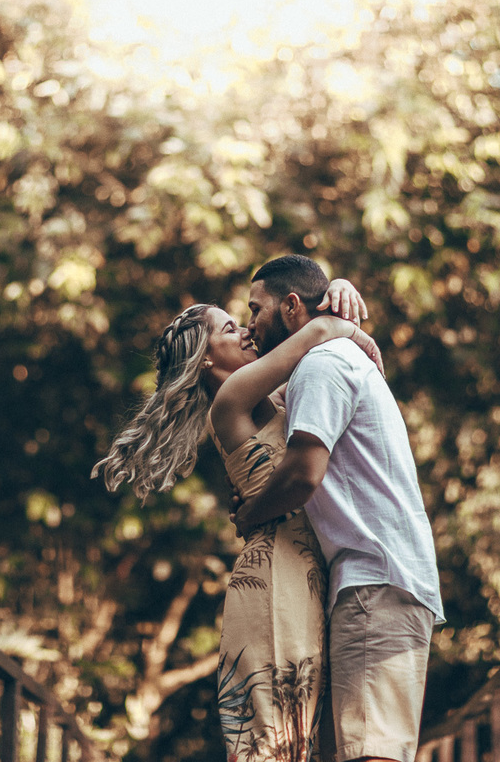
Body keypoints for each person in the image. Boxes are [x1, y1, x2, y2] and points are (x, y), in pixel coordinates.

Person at [92, 279, 380, 762]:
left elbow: (315, 344)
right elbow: (314, 333)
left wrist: (337, 287)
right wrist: (335, 313)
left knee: (297, 739)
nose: (248, 331)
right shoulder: (232, 400)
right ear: (205, 359)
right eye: (231, 327)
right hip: (273, 582)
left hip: (306, 577)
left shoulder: (281, 395)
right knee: (270, 741)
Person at [232, 255, 444, 762]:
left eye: (255, 310)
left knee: (372, 750)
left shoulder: (321, 366)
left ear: (289, 306)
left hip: (376, 580)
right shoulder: (323, 360)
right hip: (378, 578)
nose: (248, 326)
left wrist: (249, 514)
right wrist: (339, 319)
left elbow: (305, 472)